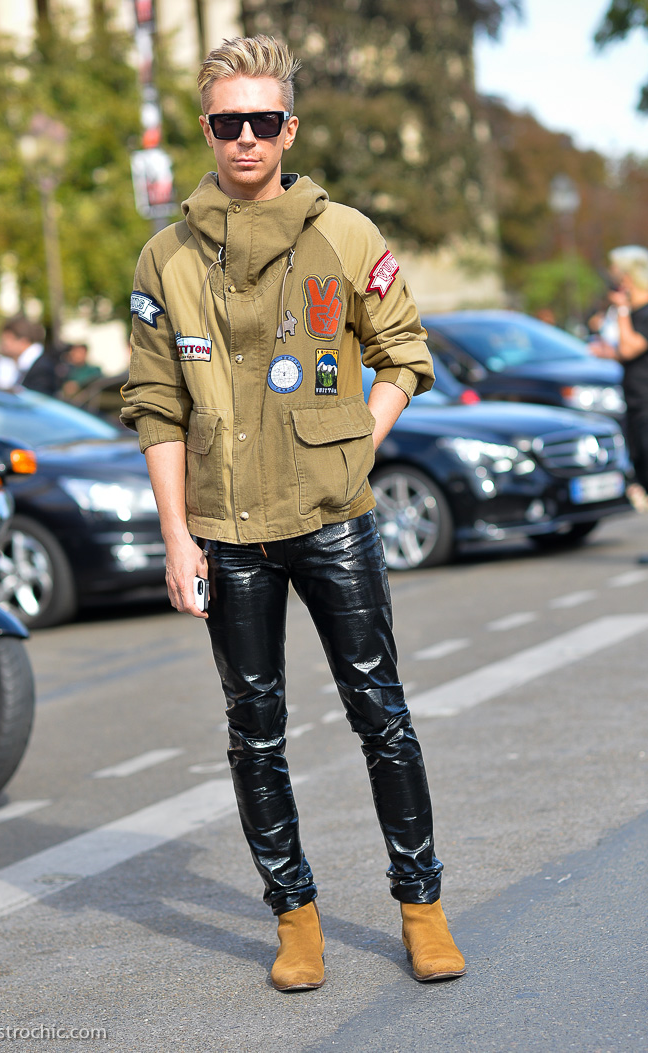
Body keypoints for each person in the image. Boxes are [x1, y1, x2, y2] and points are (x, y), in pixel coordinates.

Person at [121, 34, 465, 993]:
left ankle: (421, 906)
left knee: (381, 715)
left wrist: (363, 437)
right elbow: (155, 404)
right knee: (254, 729)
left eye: (262, 121)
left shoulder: (346, 234)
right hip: (227, 530)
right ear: (206, 129)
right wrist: (175, 536)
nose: (245, 138)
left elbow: (404, 354)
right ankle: (296, 917)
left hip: (332, 518)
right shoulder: (166, 256)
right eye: (227, 123)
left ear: (288, 127)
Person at [589, 246, 648, 553]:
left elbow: (630, 349)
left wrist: (622, 309)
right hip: (635, 399)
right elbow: (623, 352)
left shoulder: (644, 311)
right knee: (641, 467)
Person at [0, 316, 60, 396]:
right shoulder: (28, 363)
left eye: (8, 341)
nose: (4, 345)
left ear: (23, 341)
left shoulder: (42, 366)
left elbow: (39, 398)